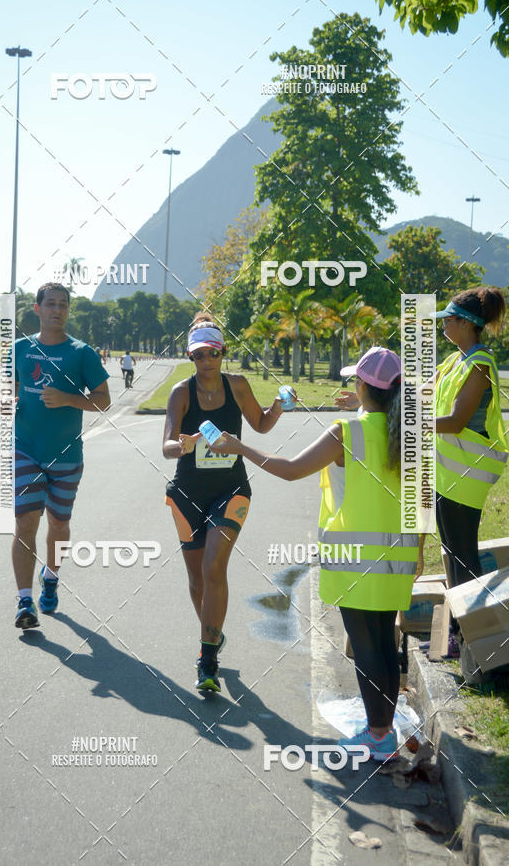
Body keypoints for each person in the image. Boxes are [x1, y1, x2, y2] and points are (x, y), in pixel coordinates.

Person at [210, 347, 423, 760]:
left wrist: (241, 448)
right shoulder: (410, 433)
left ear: (362, 386)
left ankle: (379, 737)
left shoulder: (346, 432)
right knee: (383, 643)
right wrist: (417, 556)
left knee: (366, 648)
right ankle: (382, 731)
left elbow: (290, 469)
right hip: (396, 558)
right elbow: (423, 501)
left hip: (354, 560)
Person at [162, 313, 284, 693]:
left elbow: (261, 424)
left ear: (223, 352)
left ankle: (207, 659)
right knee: (197, 578)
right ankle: (212, 634)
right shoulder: (181, 393)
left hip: (232, 490)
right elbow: (167, 447)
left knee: (215, 566)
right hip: (186, 494)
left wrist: (280, 405)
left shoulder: (239, 386)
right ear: (190, 356)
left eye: (212, 353)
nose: (206, 361)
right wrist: (186, 442)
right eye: (198, 355)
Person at [13, 283, 110, 629]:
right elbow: (5, 392)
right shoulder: (20, 349)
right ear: (37, 309)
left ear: (69, 310)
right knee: (25, 523)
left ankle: (51, 576)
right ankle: (25, 602)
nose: (57, 310)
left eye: (63, 305)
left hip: (67, 456)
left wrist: (69, 399)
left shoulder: (81, 353)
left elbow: (103, 399)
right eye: (50, 304)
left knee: (59, 524)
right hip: (25, 450)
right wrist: (5, 402)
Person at [434, 287, 508, 592]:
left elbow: (456, 422)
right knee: (452, 554)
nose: (443, 326)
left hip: (465, 477)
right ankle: (458, 632)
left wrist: (409, 425)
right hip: (446, 475)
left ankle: (473, 633)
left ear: (465, 323)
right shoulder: (455, 360)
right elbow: (421, 392)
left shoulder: (478, 365)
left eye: (447, 320)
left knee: (463, 556)